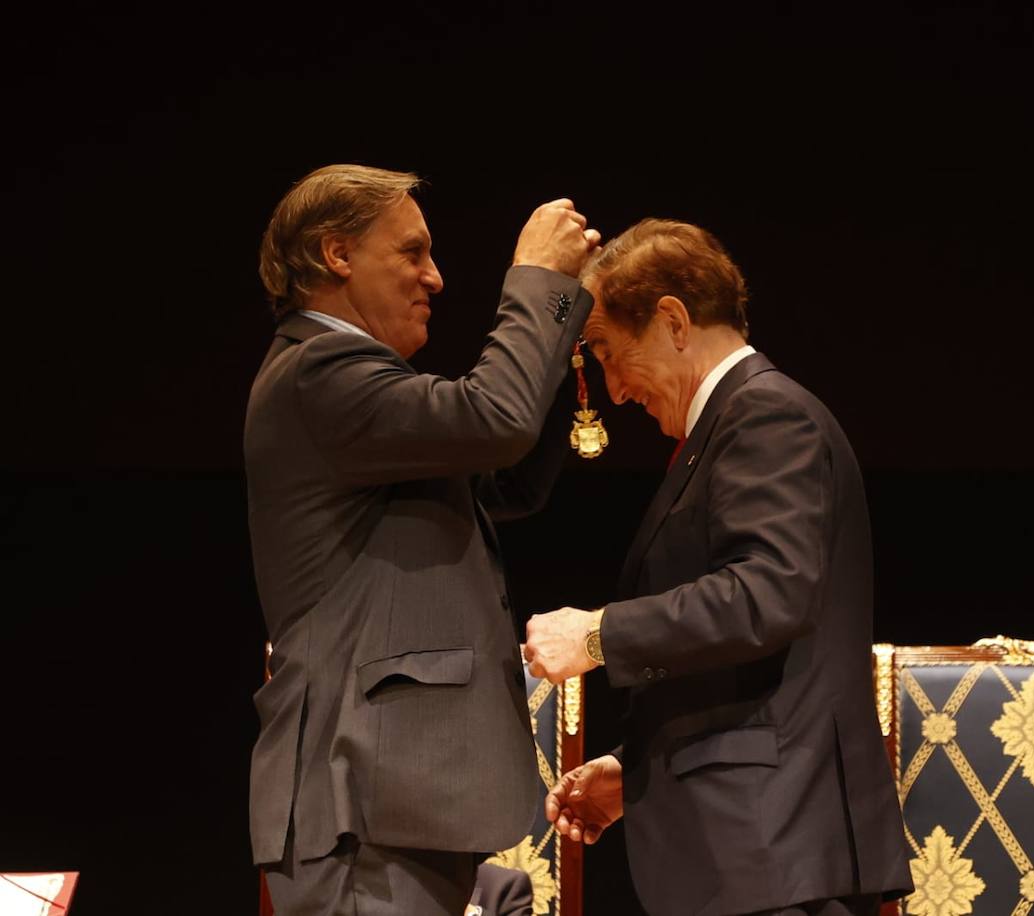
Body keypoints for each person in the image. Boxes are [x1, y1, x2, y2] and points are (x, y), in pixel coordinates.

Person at [522, 219, 912, 915]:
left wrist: (595, 636)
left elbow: (767, 595)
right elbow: (754, 668)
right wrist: (642, 771)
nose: (613, 389)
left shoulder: (764, 415)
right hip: (753, 847)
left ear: (672, 320)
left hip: (771, 847)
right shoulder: (735, 421)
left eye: (610, 352)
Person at [246, 163, 598, 915]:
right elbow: (493, 420)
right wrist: (538, 279)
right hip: (361, 799)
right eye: (412, 252)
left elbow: (506, 480)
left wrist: (566, 318)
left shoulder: (350, 390)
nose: (435, 278)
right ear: (337, 254)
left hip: (392, 801)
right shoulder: (318, 368)